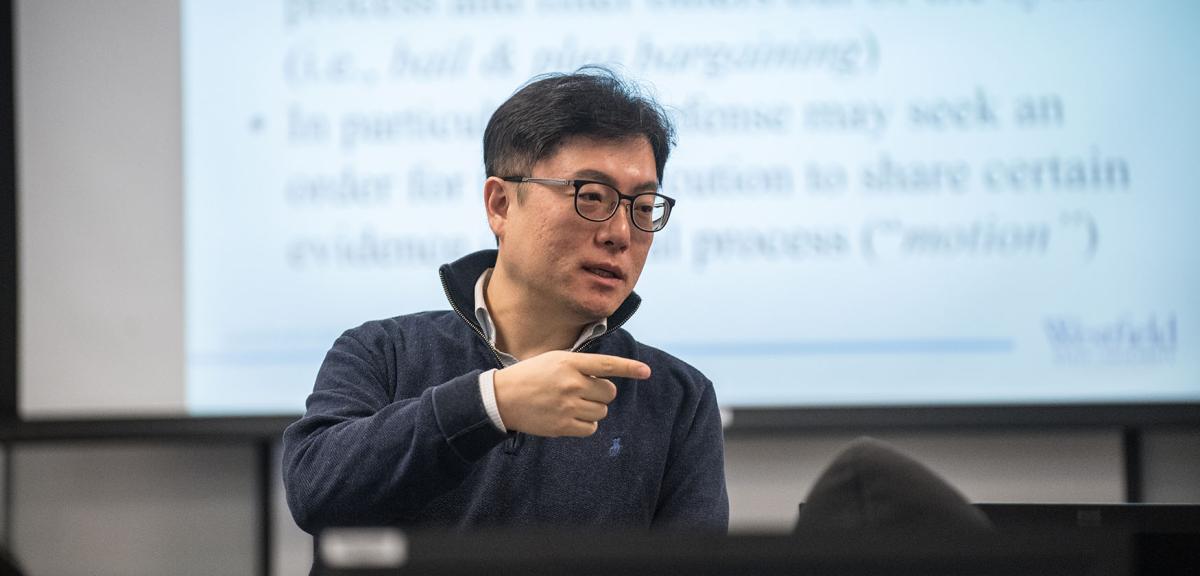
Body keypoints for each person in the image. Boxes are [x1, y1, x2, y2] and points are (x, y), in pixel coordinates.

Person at [282, 67, 729, 533]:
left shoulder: (678, 398)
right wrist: (490, 404)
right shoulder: (383, 353)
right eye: (592, 197)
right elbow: (317, 494)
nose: (620, 234)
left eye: (642, 207)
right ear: (500, 205)